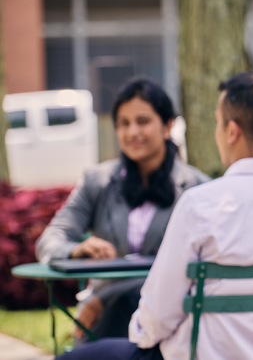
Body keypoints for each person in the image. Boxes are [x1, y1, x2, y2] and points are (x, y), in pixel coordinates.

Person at [57, 72, 253, 360]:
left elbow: (155, 319)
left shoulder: (200, 205)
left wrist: (143, 333)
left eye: (217, 123)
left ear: (231, 131)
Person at [36, 77, 209, 341]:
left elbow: (195, 268)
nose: (131, 132)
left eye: (142, 121)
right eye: (123, 123)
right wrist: (75, 249)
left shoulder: (197, 189)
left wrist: (104, 297)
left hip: (172, 322)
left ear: (168, 126)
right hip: (105, 321)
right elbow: (48, 241)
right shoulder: (97, 182)